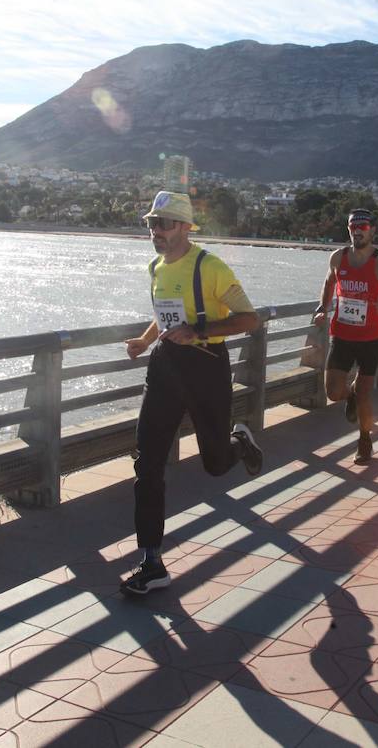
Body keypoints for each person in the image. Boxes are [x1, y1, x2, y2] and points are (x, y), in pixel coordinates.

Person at [121, 191, 265, 597]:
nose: (156, 232)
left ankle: (239, 441)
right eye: (151, 223)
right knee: (147, 464)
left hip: (205, 367)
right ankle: (151, 561)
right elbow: (166, 313)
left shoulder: (211, 267)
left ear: (186, 227)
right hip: (166, 367)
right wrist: (147, 341)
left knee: (216, 464)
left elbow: (250, 319)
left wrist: (199, 332)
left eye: (165, 224)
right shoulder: (155, 267)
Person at [313, 208, 378, 465]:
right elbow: (329, 283)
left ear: (373, 230)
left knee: (365, 392)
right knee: (332, 392)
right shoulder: (337, 258)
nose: (358, 230)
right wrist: (324, 306)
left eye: (363, 226)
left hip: (370, 339)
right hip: (342, 334)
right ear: (348, 230)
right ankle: (350, 396)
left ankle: (365, 440)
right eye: (353, 226)